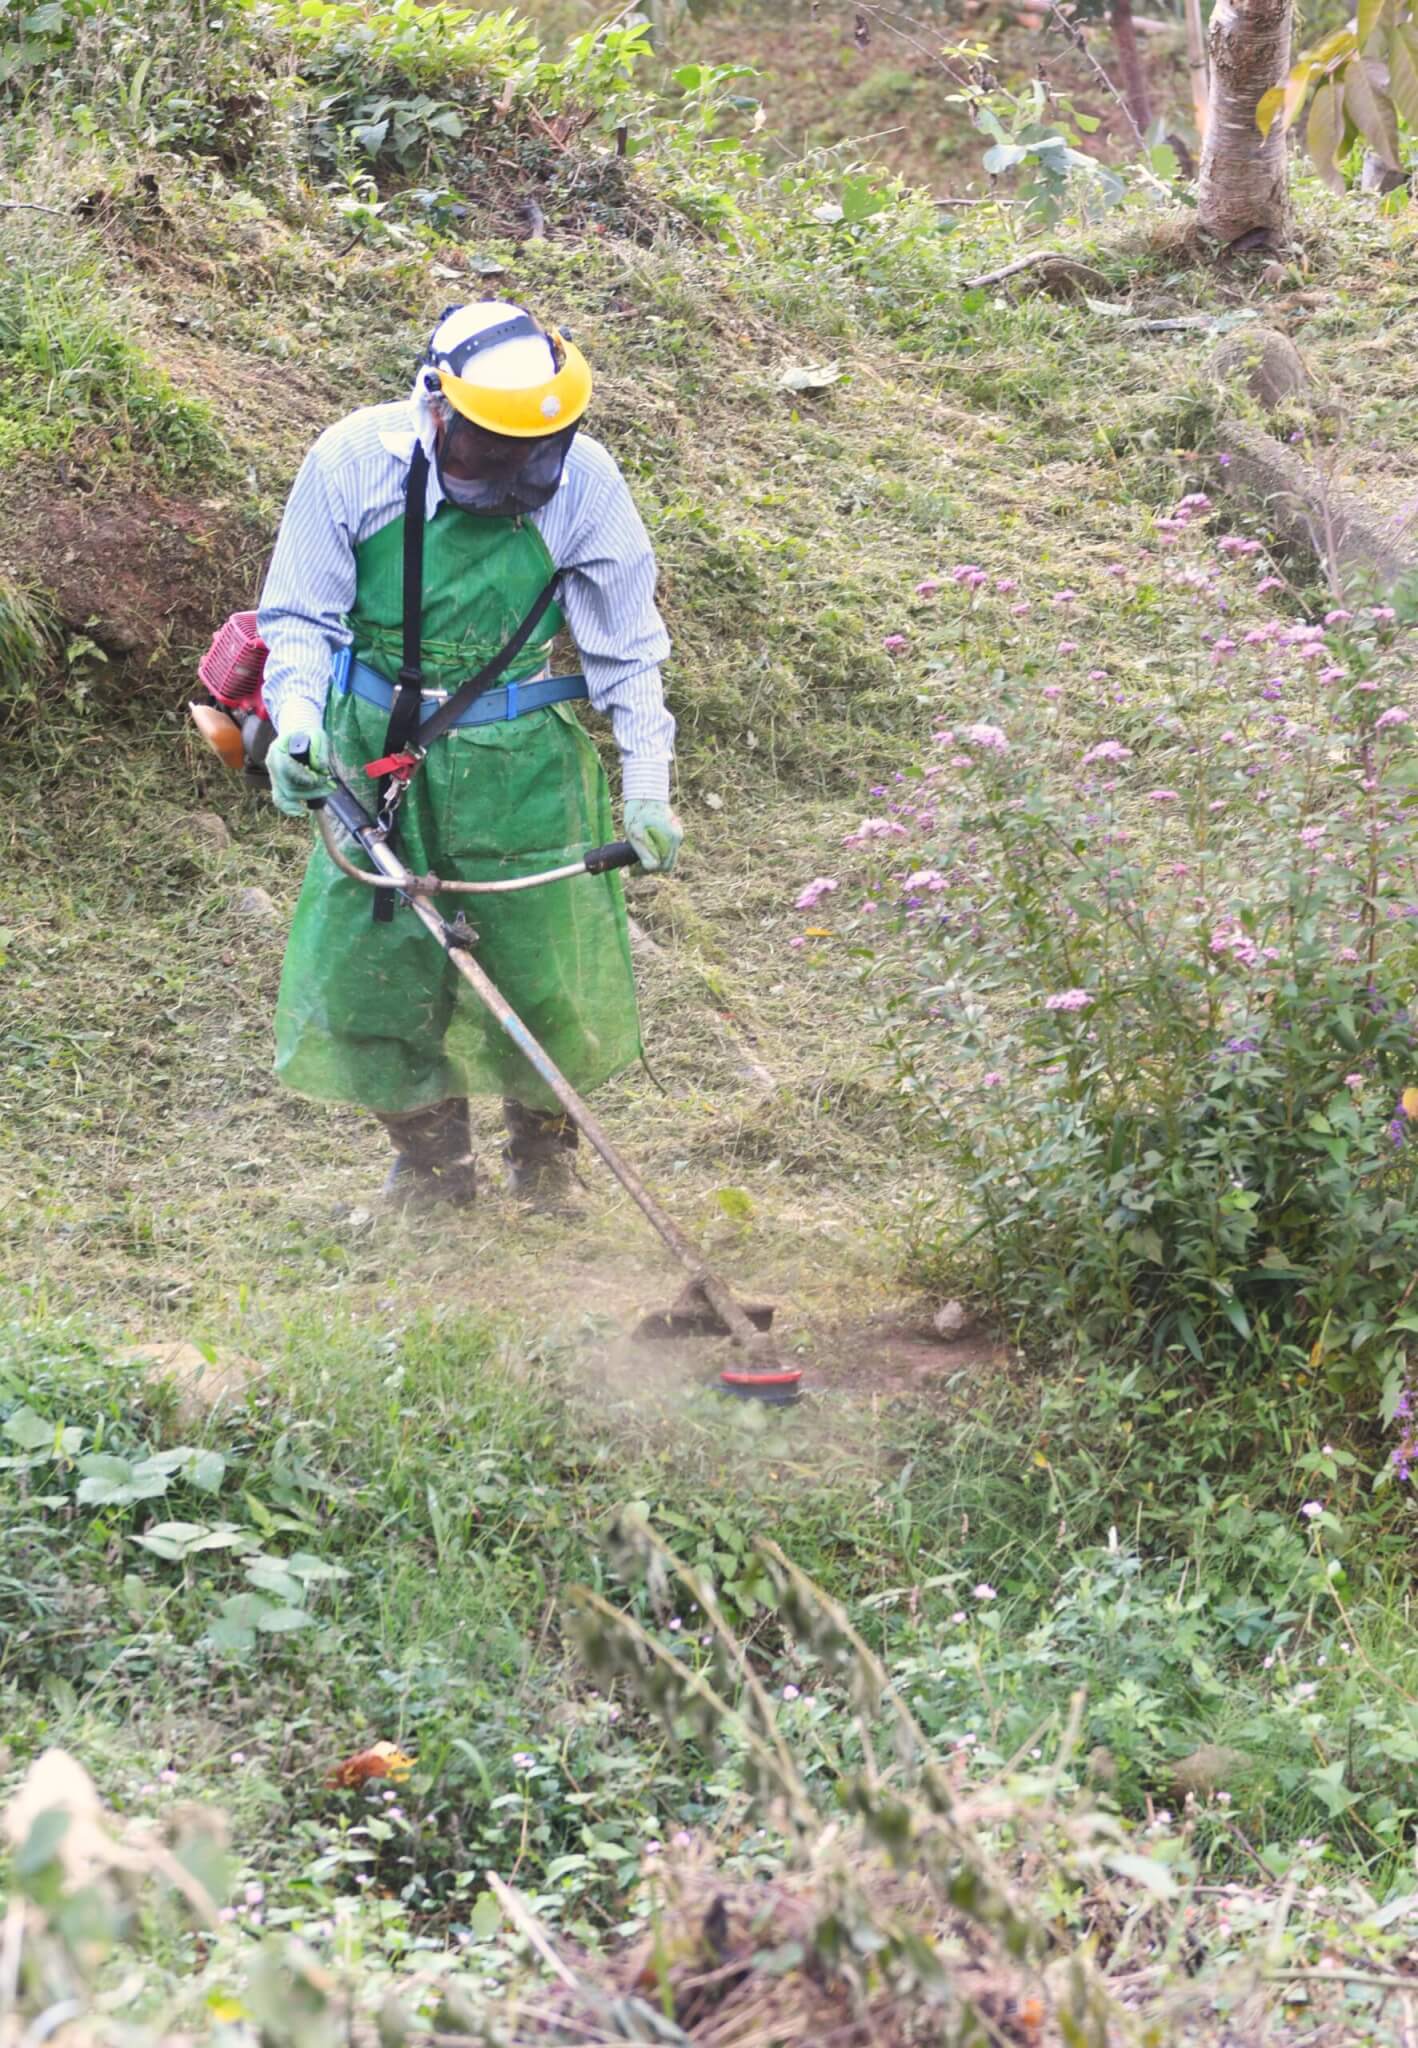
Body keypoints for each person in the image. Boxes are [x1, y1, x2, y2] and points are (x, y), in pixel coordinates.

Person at [256, 301, 681, 1208]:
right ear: (437, 406)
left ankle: (547, 1161)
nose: (519, 468)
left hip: (521, 766)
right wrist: (296, 721)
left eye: (538, 447)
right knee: (375, 971)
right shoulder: (353, 462)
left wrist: (648, 787)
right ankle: (432, 1167)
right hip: (375, 753)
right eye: (492, 445)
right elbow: (298, 616)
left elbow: (628, 651)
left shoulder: (585, 484)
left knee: (543, 970)